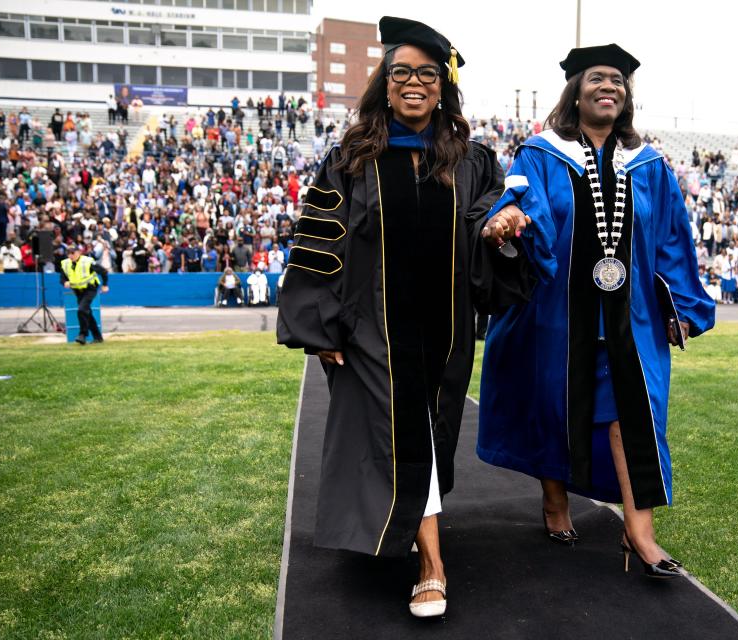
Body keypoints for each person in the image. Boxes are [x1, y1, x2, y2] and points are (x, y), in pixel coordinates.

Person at [276, 16, 527, 618]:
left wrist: (499, 225)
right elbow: (321, 239)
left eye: (426, 73)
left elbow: (487, 215)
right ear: (384, 85)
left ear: (443, 86)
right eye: (401, 73)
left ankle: (409, 534)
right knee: (398, 436)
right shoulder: (352, 157)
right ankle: (431, 567)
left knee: (428, 441)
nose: (413, 82)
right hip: (371, 331)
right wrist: (322, 324)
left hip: (443, 330)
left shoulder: (471, 160)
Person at [477, 44, 715, 580]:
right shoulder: (541, 153)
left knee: (634, 414)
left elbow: (674, 240)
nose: (608, 87)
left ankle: (641, 533)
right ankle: (555, 502)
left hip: (630, 319)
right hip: (558, 314)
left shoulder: (650, 164)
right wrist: (509, 216)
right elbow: (516, 202)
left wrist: (683, 306)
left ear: (626, 96)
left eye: (617, 81)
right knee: (557, 406)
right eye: (597, 79)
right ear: (576, 90)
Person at [60, 245, 109, 345]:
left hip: (90, 289)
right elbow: (62, 278)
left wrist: (104, 285)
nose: (71, 255)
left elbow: (103, 271)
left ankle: (82, 335)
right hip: (77, 291)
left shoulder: (87, 261)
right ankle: (98, 338)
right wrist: (64, 282)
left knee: (82, 310)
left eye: (73, 253)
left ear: (79, 252)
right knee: (87, 313)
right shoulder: (65, 263)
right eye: (68, 253)